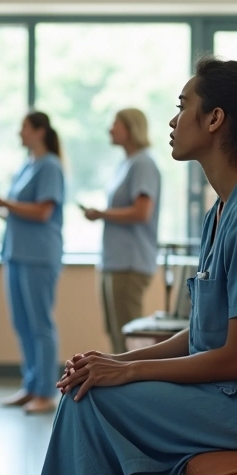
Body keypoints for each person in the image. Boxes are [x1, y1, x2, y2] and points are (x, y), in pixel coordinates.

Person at [31, 58, 237, 475]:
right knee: (87, 391)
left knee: (92, 404)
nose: (172, 121)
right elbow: (199, 337)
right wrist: (113, 359)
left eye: (182, 106)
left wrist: (128, 373)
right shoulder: (224, 209)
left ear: (214, 119)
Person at [0, 111, 65, 415]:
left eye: (24, 128)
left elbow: (42, 212)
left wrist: (5, 203)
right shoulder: (26, 166)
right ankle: (30, 385)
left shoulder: (50, 167)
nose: (20, 133)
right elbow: (15, 212)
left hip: (39, 255)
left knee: (40, 323)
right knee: (22, 324)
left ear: (40, 131)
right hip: (16, 253)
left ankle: (45, 392)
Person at [81, 108, 161, 354]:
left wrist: (101, 214)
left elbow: (141, 212)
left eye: (116, 124)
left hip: (130, 262)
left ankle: (133, 390)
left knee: (127, 335)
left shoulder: (143, 164)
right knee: (115, 331)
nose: (110, 129)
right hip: (115, 261)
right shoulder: (126, 164)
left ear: (130, 129)